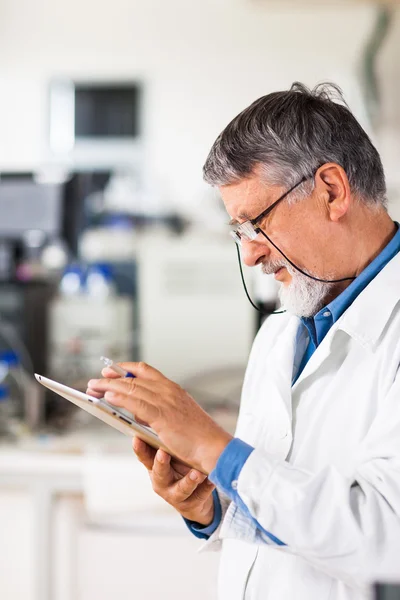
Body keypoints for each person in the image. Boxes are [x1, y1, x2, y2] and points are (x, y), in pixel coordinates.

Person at [87, 82, 400, 600]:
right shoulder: (284, 327)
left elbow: (385, 536)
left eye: (256, 222)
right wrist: (211, 504)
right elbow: (283, 500)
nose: (251, 254)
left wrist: (214, 447)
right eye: (239, 231)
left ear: (331, 190)